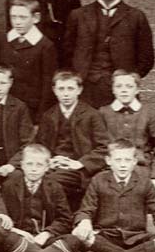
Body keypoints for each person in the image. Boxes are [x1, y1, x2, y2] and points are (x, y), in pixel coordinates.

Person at [64, 0, 154, 108]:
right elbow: (67, 53)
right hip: (85, 93)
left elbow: (146, 58)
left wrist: (128, 81)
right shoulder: (78, 15)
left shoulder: (136, 17)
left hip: (121, 94)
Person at [72, 139, 155, 252]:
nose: (123, 165)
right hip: (107, 237)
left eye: (127, 160)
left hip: (136, 237)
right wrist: (84, 222)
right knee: (82, 237)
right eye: (118, 160)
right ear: (108, 161)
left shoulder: (145, 182)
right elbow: (86, 209)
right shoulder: (99, 180)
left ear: (134, 162)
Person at [0, 144, 82, 252]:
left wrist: (46, 234)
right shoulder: (9, 186)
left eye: (39, 165)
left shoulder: (55, 187)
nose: (34, 169)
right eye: (29, 164)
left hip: (45, 239)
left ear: (47, 167)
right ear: (22, 165)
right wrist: (19, 232)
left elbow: (65, 219)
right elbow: (2, 215)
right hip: (20, 238)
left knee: (73, 240)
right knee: (4, 238)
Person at [0, 0, 57, 123]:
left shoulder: (45, 46)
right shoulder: (2, 40)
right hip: (3, 102)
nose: (17, 22)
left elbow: (47, 85)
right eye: (13, 17)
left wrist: (42, 116)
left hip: (30, 108)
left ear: (36, 18)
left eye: (23, 17)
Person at [35, 70, 109, 211]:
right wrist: (48, 161)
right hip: (53, 166)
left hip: (78, 170)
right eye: (61, 89)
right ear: (54, 91)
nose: (66, 94)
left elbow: (104, 148)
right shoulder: (49, 115)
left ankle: (60, 221)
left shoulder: (91, 114)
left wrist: (79, 163)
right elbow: (40, 145)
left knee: (50, 182)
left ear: (79, 90)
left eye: (70, 88)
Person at [99, 70, 155, 193]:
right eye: (119, 86)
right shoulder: (103, 113)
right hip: (111, 170)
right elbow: (98, 147)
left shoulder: (149, 114)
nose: (124, 90)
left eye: (129, 86)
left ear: (137, 89)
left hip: (142, 169)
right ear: (113, 89)